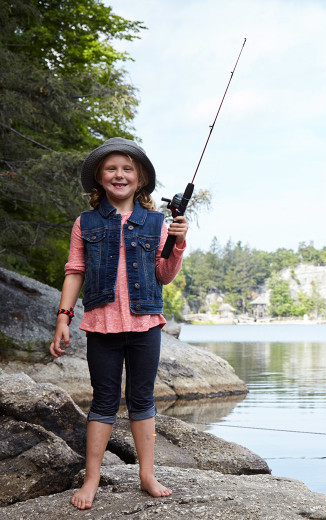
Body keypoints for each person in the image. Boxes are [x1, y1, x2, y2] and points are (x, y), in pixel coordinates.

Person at [49, 137, 188, 510]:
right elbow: (74, 272)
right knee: (104, 401)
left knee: (142, 400)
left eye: (128, 169)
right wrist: (64, 317)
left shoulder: (157, 222)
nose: (119, 174)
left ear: (141, 179)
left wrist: (177, 244)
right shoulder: (87, 223)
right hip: (101, 325)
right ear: (99, 177)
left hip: (145, 325)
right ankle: (92, 477)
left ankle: (146, 474)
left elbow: (164, 274)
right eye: (111, 168)